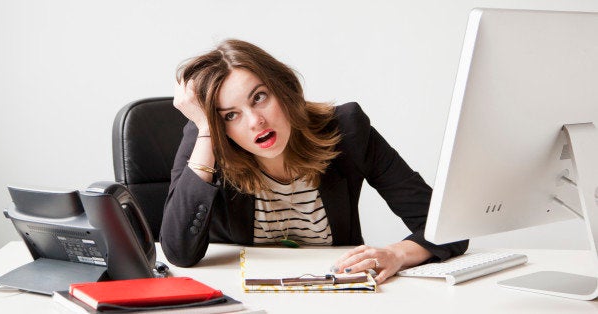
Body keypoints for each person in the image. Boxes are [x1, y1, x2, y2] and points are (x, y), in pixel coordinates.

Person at [160, 39, 467, 284]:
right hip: (242, 301)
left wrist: (396, 254)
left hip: (339, 296)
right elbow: (179, 253)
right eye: (230, 115)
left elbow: (448, 228)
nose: (255, 121)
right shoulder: (206, 141)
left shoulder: (348, 129)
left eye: (259, 97)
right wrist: (206, 133)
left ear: (283, 89)